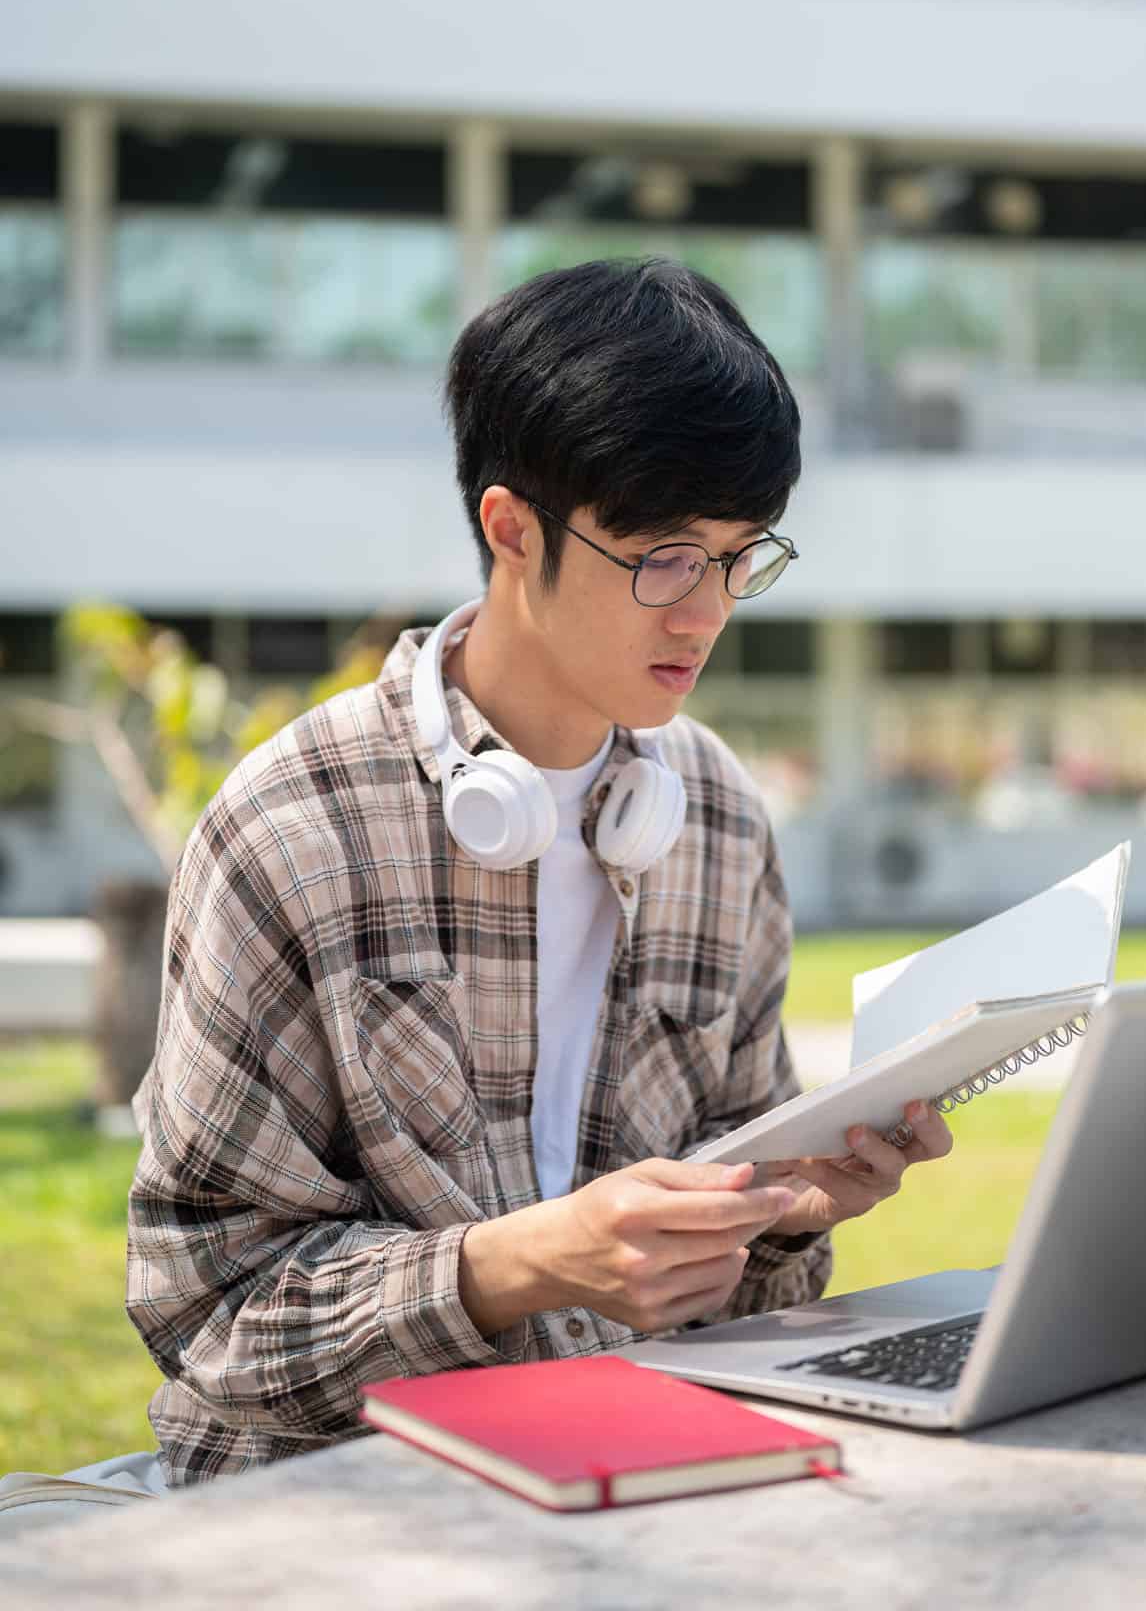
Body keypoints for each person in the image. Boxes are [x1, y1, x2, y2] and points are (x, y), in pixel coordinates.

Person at [118, 257, 953, 1487]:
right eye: (664, 557)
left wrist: (791, 1207)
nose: (706, 613)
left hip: (639, 1468)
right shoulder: (294, 827)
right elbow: (209, 1319)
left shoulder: (714, 815)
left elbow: (741, 1289)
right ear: (512, 530)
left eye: (739, 557)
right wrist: (516, 1265)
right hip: (333, 1498)